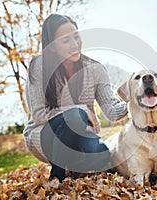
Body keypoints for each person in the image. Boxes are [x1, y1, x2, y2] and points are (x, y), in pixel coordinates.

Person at [23, 14, 128, 182]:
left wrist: (136, 103)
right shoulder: (39, 66)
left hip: (81, 133)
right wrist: (81, 110)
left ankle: (72, 167)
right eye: (65, 41)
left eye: (76, 36)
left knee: (102, 156)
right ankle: (57, 176)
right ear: (52, 46)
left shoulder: (95, 69)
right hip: (45, 135)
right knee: (75, 116)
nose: (75, 44)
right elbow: (38, 114)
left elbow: (112, 111)